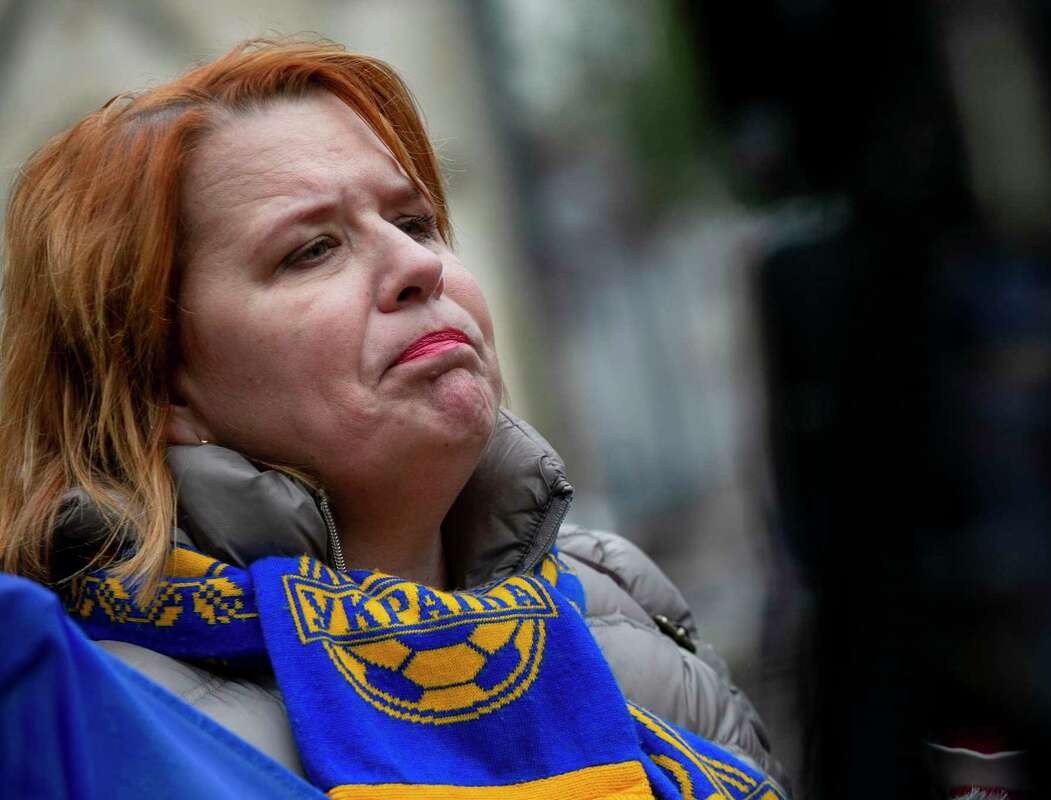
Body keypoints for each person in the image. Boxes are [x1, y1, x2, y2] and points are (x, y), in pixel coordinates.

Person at [0, 38, 789, 797]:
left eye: (413, 222)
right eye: (311, 250)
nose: (418, 266)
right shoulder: (98, 719)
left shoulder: (614, 591)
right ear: (158, 390)